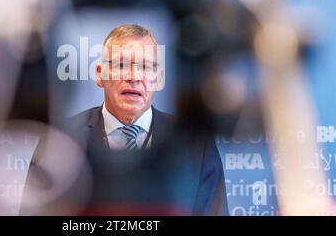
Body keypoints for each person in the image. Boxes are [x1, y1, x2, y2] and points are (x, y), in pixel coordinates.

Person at [23, 24, 228, 215]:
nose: (134, 76)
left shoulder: (196, 145)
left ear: (160, 78)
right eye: (121, 65)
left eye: (146, 67)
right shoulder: (60, 139)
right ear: (100, 74)